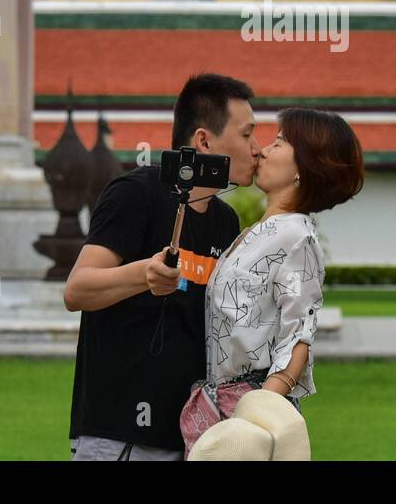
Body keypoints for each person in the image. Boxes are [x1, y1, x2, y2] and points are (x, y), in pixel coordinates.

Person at [64, 73, 260, 461]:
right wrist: (144, 274)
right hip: (121, 436)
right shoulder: (136, 193)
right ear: (204, 140)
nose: (257, 149)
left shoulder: (225, 221)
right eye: (247, 135)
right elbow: (77, 290)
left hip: (190, 436)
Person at [155, 107, 364, 456]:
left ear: (303, 168)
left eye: (279, 143)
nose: (263, 150)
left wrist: (260, 412)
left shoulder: (298, 237)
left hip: (250, 411)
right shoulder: (254, 233)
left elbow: (297, 335)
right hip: (217, 405)